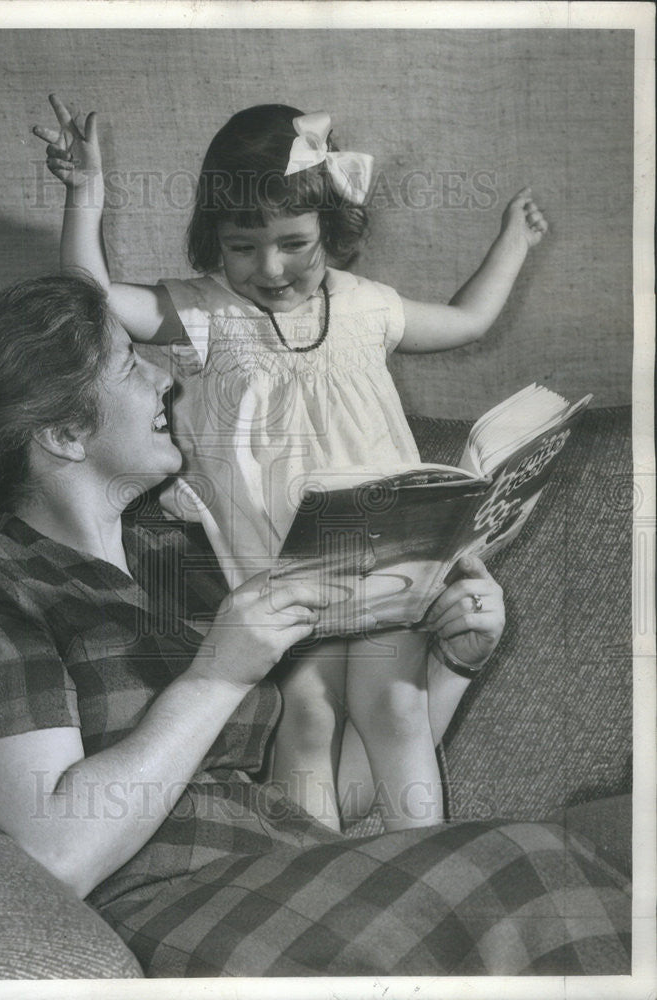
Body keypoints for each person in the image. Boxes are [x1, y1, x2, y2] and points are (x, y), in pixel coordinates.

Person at [0, 275, 630, 977]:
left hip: (295, 872)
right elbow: (56, 850)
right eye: (127, 363)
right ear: (62, 432)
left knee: (543, 875)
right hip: (167, 910)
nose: (164, 378)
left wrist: (453, 668)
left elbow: (333, 796)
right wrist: (217, 673)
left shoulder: (182, 554)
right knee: (526, 867)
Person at [33, 97, 549, 831]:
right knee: (305, 718)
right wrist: (84, 197)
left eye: (293, 243)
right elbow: (90, 299)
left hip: (385, 555)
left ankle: (427, 856)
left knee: (396, 706)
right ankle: (314, 876)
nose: (269, 267)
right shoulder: (205, 313)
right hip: (279, 573)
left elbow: (467, 320)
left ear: (331, 231)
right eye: (243, 246)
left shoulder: (367, 308)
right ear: (216, 240)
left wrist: (513, 244)